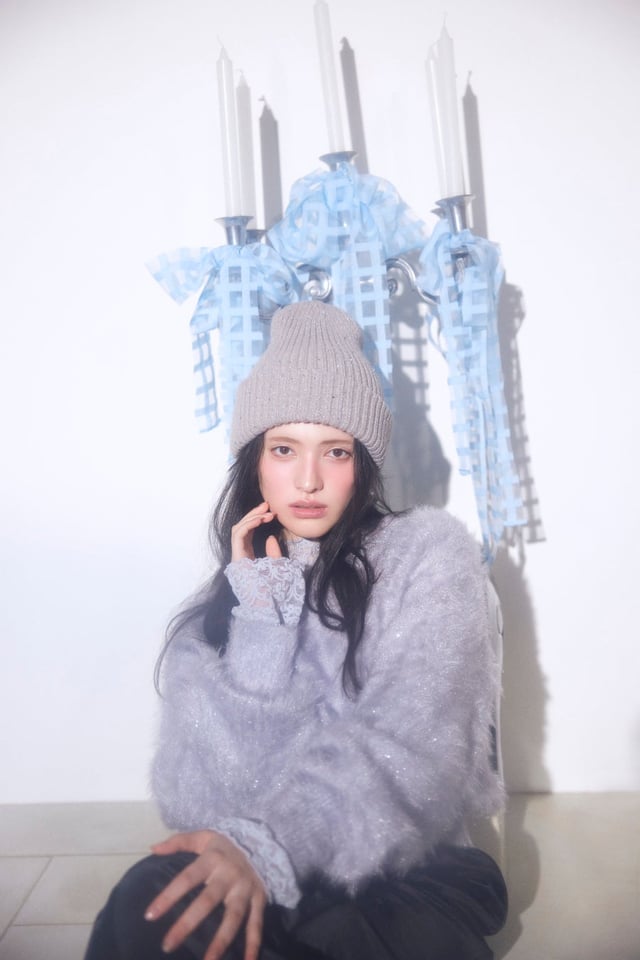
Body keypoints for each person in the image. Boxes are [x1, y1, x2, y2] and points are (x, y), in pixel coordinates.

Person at [84, 300, 507, 960]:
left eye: (335, 451)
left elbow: (412, 745)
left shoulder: (427, 555)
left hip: (408, 874)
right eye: (284, 449)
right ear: (255, 460)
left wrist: (269, 845)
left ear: (363, 463)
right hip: (268, 871)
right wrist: (263, 621)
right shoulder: (227, 600)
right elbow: (198, 801)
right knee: (149, 899)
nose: (309, 479)